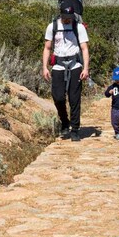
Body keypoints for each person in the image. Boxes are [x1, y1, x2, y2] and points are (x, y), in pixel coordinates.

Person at [42, 8, 90, 142]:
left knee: (75, 99)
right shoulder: (52, 26)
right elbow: (47, 48)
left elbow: (84, 48)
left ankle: (75, 129)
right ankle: (64, 120)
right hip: (58, 65)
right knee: (58, 97)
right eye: (65, 16)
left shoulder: (78, 27)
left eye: (70, 16)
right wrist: (45, 67)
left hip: (75, 66)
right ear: (61, 14)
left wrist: (85, 68)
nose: (67, 19)